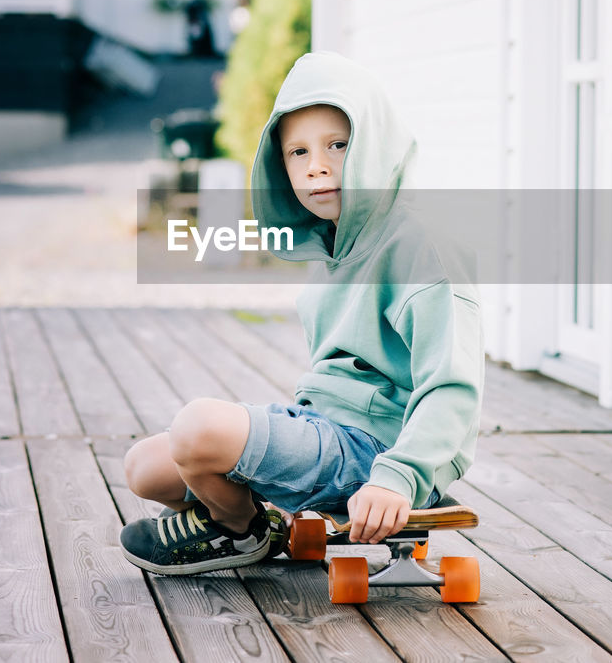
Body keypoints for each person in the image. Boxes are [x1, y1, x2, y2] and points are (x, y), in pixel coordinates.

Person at [120, 51, 484, 576]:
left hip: (379, 453)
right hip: (325, 430)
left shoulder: (422, 245)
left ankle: (239, 533)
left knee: (196, 429)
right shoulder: (334, 245)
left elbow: (453, 387)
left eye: (338, 144)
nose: (316, 165)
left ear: (375, 141)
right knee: (145, 468)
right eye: (297, 151)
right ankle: (247, 521)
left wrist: (399, 475)